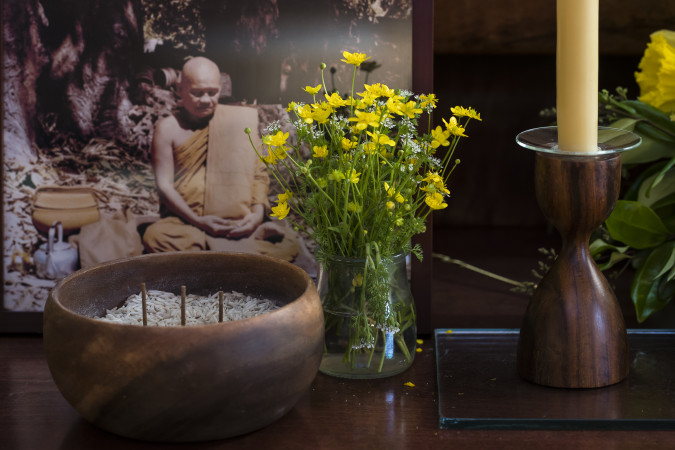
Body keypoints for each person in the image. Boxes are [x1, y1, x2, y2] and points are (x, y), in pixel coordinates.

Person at [143, 56, 313, 272]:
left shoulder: (237, 122)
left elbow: (258, 173)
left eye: (212, 92)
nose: (205, 100)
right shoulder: (168, 129)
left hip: (238, 223)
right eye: (197, 92)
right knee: (156, 237)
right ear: (179, 89)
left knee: (287, 242)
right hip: (186, 223)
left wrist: (256, 215)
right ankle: (239, 259)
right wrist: (199, 221)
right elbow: (164, 185)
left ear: (220, 89)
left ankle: (210, 259)